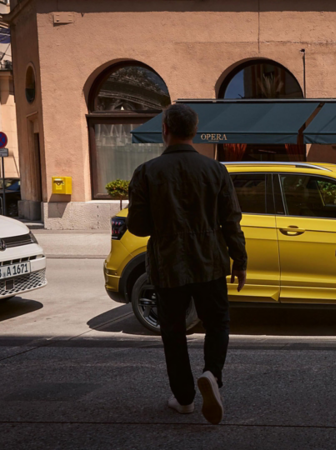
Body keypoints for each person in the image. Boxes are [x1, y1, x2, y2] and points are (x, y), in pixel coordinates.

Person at [127, 103, 247, 424]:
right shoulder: (215, 170)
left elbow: (137, 226)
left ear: (165, 129)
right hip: (209, 261)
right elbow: (231, 221)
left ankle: (183, 399)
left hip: (168, 264)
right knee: (218, 322)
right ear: (195, 132)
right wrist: (240, 260)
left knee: (174, 331)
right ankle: (212, 376)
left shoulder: (147, 172)